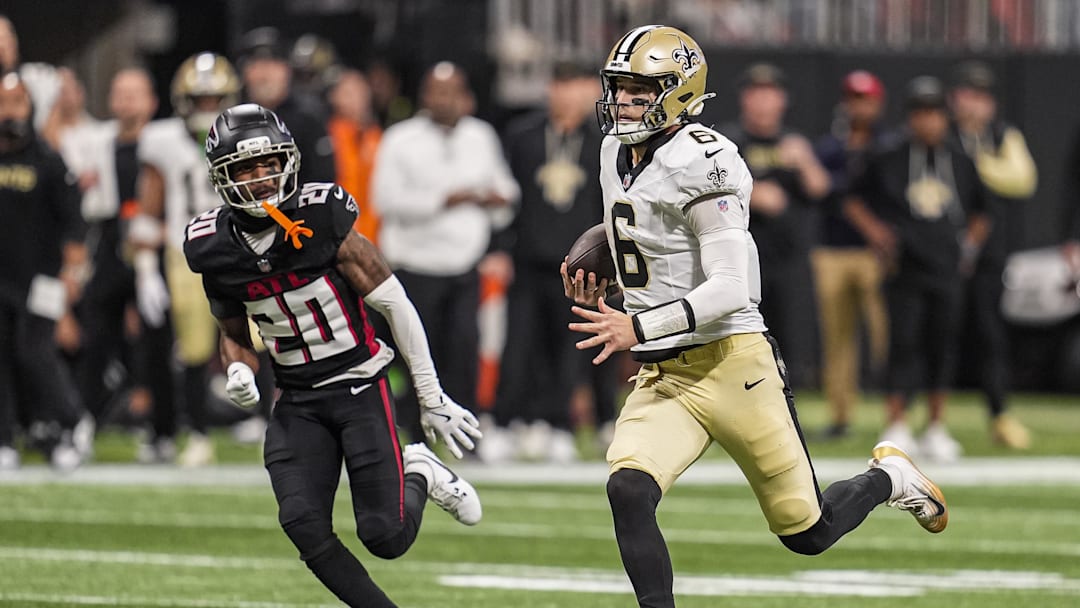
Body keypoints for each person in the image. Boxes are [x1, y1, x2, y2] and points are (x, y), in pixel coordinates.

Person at [560, 25, 949, 608]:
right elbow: (646, 237)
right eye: (618, 88)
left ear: (679, 93)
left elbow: (730, 289)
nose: (623, 103)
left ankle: (889, 479)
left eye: (640, 91)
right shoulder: (615, 149)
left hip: (734, 365)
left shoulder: (708, 162)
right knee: (628, 489)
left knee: (807, 532)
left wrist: (634, 326)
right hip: (666, 376)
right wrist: (607, 266)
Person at [183, 102, 483, 607]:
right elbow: (233, 328)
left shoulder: (322, 216)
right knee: (302, 523)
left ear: (289, 162)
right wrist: (238, 364)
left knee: (384, 537)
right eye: (246, 169)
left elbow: (395, 305)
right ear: (222, 177)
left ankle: (420, 471)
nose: (260, 179)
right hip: (297, 399)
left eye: (268, 165)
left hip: (359, 386)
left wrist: (430, 397)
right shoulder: (213, 247)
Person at [372, 61, 519, 444]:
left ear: (465, 96)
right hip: (415, 266)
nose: (445, 99)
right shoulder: (400, 139)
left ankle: (465, 435)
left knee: (464, 352)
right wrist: (445, 199)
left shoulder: (480, 136)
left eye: (452, 91)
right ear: (424, 96)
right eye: (438, 91)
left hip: (464, 265)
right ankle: (412, 432)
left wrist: (494, 198)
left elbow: (507, 192)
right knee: (418, 354)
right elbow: (384, 200)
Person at [845, 76, 991, 461]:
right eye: (921, 113)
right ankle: (897, 423)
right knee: (903, 343)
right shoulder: (887, 156)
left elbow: (982, 211)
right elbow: (853, 199)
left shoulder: (961, 159)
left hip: (946, 267)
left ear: (945, 117)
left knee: (943, 344)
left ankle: (937, 427)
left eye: (935, 113)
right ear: (910, 117)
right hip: (904, 267)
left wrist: (968, 247)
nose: (929, 121)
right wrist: (878, 235)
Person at [487, 61, 607, 463]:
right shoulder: (522, 136)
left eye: (575, 84)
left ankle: (560, 425)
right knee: (517, 345)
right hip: (529, 258)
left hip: (581, 269)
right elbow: (506, 199)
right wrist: (500, 248)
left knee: (570, 348)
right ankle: (505, 423)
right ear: (550, 89)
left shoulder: (602, 142)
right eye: (561, 84)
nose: (567, 94)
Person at [722, 62, 830, 389]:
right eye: (756, 94)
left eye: (770, 94)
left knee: (791, 344)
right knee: (740, 341)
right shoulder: (728, 142)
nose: (763, 102)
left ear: (782, 100)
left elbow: (821, 189)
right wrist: (752, 192)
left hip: (789, 260)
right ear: (744, 100)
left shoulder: (793, 143)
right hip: (741, 260)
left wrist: (806, 161)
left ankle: (785, 413)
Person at [0, 71, 87, 471]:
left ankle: (72, 422)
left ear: (30, 107)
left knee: (35, 353)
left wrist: (71, 274)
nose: (8, 112)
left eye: (15, 103)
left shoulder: (48, 159)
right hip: (3, 279)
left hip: (42, 279)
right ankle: (6, 440)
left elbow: (73, 223)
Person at [948, 60, 1036, 449]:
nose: (974, 104)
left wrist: (972, 164)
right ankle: (927, 422)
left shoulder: (1002, 135)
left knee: (990, 336)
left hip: (988, 255)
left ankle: (1000, 415)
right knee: (934, 335)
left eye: (982, 97)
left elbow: (1022, 179)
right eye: (968, 94)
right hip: (944, 253)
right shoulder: (943, 135)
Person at [810, 70, 893, 439]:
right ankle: (841, 415)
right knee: (838, 340)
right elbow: (821, 191)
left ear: (877, 103)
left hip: (875, 253)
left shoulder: (889, 147)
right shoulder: (831, 148)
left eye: (865, 99)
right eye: (853, 98)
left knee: (887, 336)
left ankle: (897, 414)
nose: (858, 105)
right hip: (833, 251)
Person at [236, 27, 336, 184]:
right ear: (245, 73)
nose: (265, 76)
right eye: (257, 66)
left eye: (273, 65)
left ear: (287, 71)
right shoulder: (231, 120)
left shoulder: (308, 118)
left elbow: (323, 179)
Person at [326, 68, 381, 243]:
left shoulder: (376, 136)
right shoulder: (327, 136)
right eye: (348, 92)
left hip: (375, 231)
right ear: (334, 97)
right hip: (339, 228)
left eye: (361, 91)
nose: (356, 98)